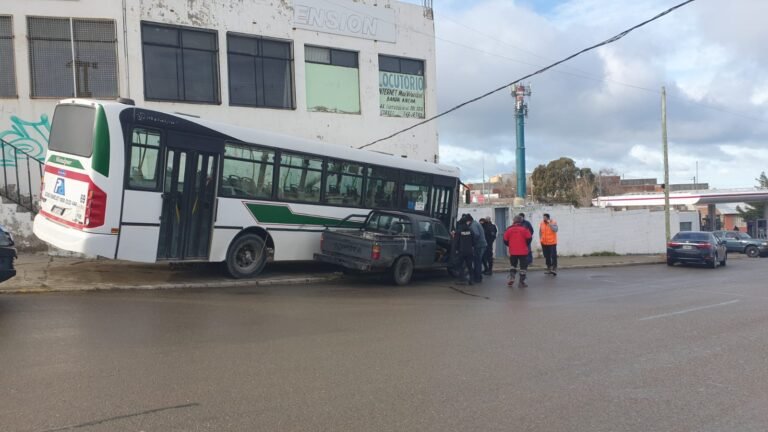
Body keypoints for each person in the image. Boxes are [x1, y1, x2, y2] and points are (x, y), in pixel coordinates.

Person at [503, 215, 532, 288]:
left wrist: (510, 245)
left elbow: (505, 240)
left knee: (513, 265)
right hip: (523, 251)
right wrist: (525, 244)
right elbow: (529, 238)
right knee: (523, 267)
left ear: (514, 221)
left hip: (513, 251)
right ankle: (521, 282)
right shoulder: (525, 229)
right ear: (521, 221)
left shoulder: (508, 229)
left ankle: (512, 277)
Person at [466, 214, 487, 283]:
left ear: (469, 220)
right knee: (478, 261)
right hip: (481, 244)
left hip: (479, 245)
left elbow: (476, 234)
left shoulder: (473, 225)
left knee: (477, 261)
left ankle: (477, 278)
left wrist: (472, 243)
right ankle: (479, 277)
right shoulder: (476, 223)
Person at [456, 215, 476, 285]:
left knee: (460, 265)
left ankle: (461, 279)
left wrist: (456, 249)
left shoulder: (459, 231)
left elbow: (457, 241)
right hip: (469, 250)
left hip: (461, 251)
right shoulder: (470, 230)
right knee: (470, 266)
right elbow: (474, 240)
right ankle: (471, 280)